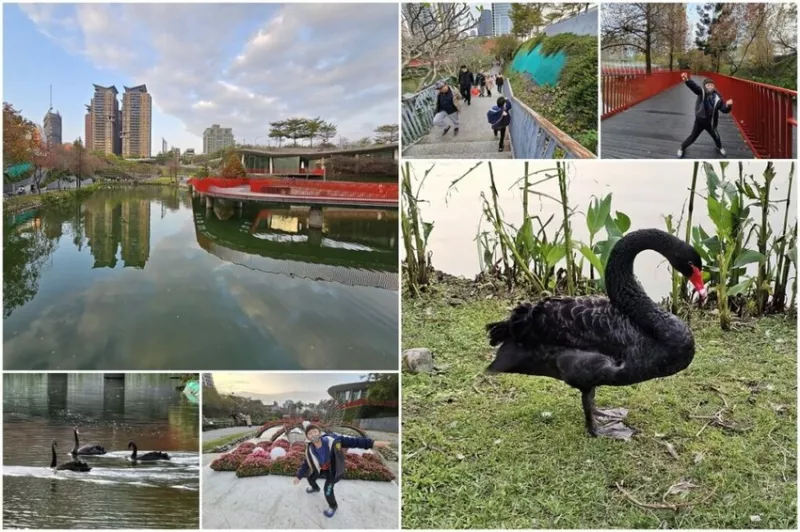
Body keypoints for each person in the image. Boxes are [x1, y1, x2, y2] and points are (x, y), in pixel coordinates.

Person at [294, 424, 391, 518]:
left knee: (328, 490)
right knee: (310, 478)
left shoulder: (334, 441)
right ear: (307, 437)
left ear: (319, 433)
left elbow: (353, 441)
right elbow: (306, 463)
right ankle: (315, 488)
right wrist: (299, 476)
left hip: (333, 471)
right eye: (310, 433)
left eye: (315, 431)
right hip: (321, 470)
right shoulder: (310, 449)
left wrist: (372, 443)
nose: (313, 434)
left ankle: (333, 506)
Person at [677, 72, 734, 158]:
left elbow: (724, 109)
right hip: (700, 121)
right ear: (705, 86)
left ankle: (719, 147)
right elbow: (695, 88)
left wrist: (728, 105)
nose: (710, 86)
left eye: (712, 85)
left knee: (716, 136)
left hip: (710, 123)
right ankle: (681, 148)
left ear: (714, 86)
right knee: (692, 137)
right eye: (708, 85)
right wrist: (687, 80)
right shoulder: (702, 93)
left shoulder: (717, 98)